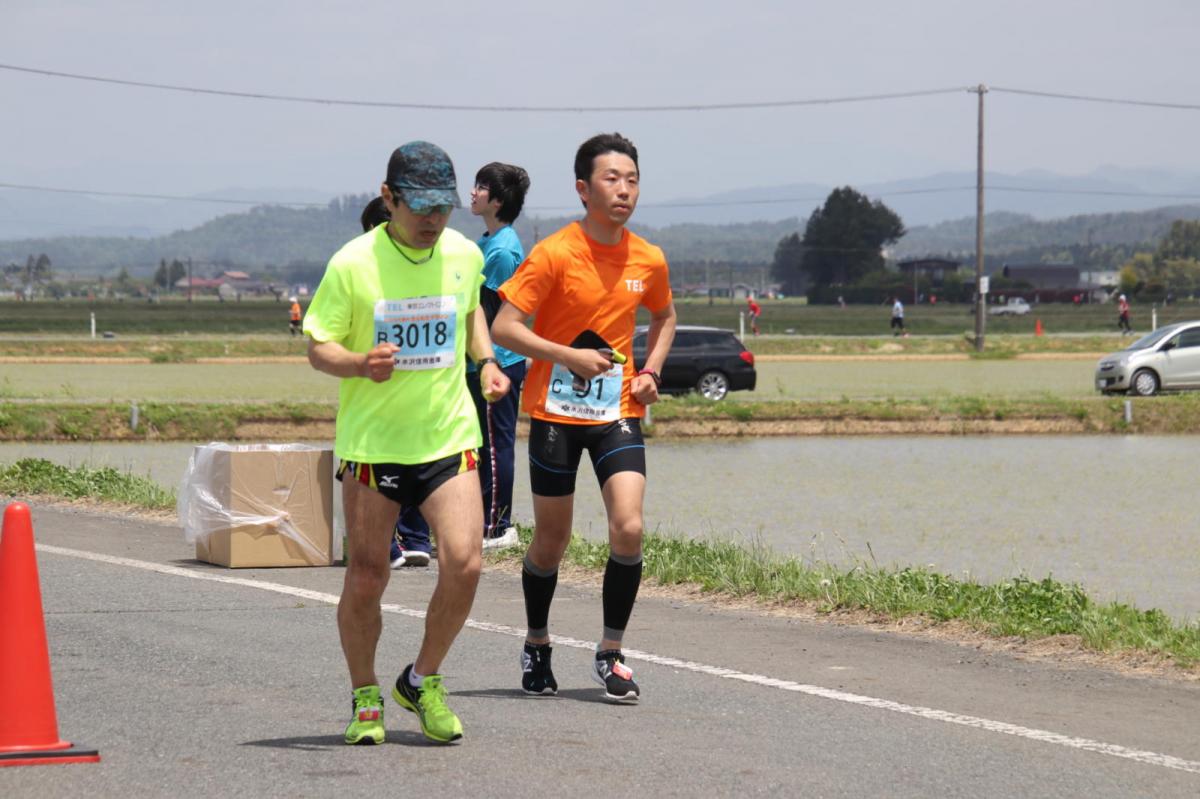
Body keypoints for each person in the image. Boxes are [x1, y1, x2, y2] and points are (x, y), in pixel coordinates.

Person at [304, 140, 510, 746]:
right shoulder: (352, 263)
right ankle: (367, 694)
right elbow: (319, 347)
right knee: (368, 576)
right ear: (388, 197)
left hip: (447, 436)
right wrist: (359, 363)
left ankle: (422, 680)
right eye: (418, 206)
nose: (431, 219)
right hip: (374, 446)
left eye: (442, 207)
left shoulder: (464, 254)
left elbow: (470, 310)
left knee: (466, 562)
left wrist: (488, 362)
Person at [492, 132, 677, 702]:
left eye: (632, 180)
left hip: (616, 411)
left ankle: (611, 651)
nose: (624, 190)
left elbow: (666, 317)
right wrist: (567, 355)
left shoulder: (648, 257)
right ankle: (537, 643)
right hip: (554, 413)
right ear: (582, 188)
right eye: (611, 179)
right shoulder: (553, 253)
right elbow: (504, 328)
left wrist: (650, 372)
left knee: (629, 527)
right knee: (552, 540)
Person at [359, 195, 434, 569]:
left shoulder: (427, 267)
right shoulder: (360, 271)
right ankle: (390, 543)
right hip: (380, 392)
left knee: (420, 460)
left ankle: (415, 538)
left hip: (419, 389)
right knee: (386, 466)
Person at [467, 162, 532, 551]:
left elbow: (491, 315)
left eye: (481, 187)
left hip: (500, 363)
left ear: (499, 199)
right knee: (482, 443)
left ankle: (499, 525)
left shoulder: (504, 250)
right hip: (484, 362)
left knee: (496, 444)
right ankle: (483, 520)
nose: (473, 193)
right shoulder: (486, 242)